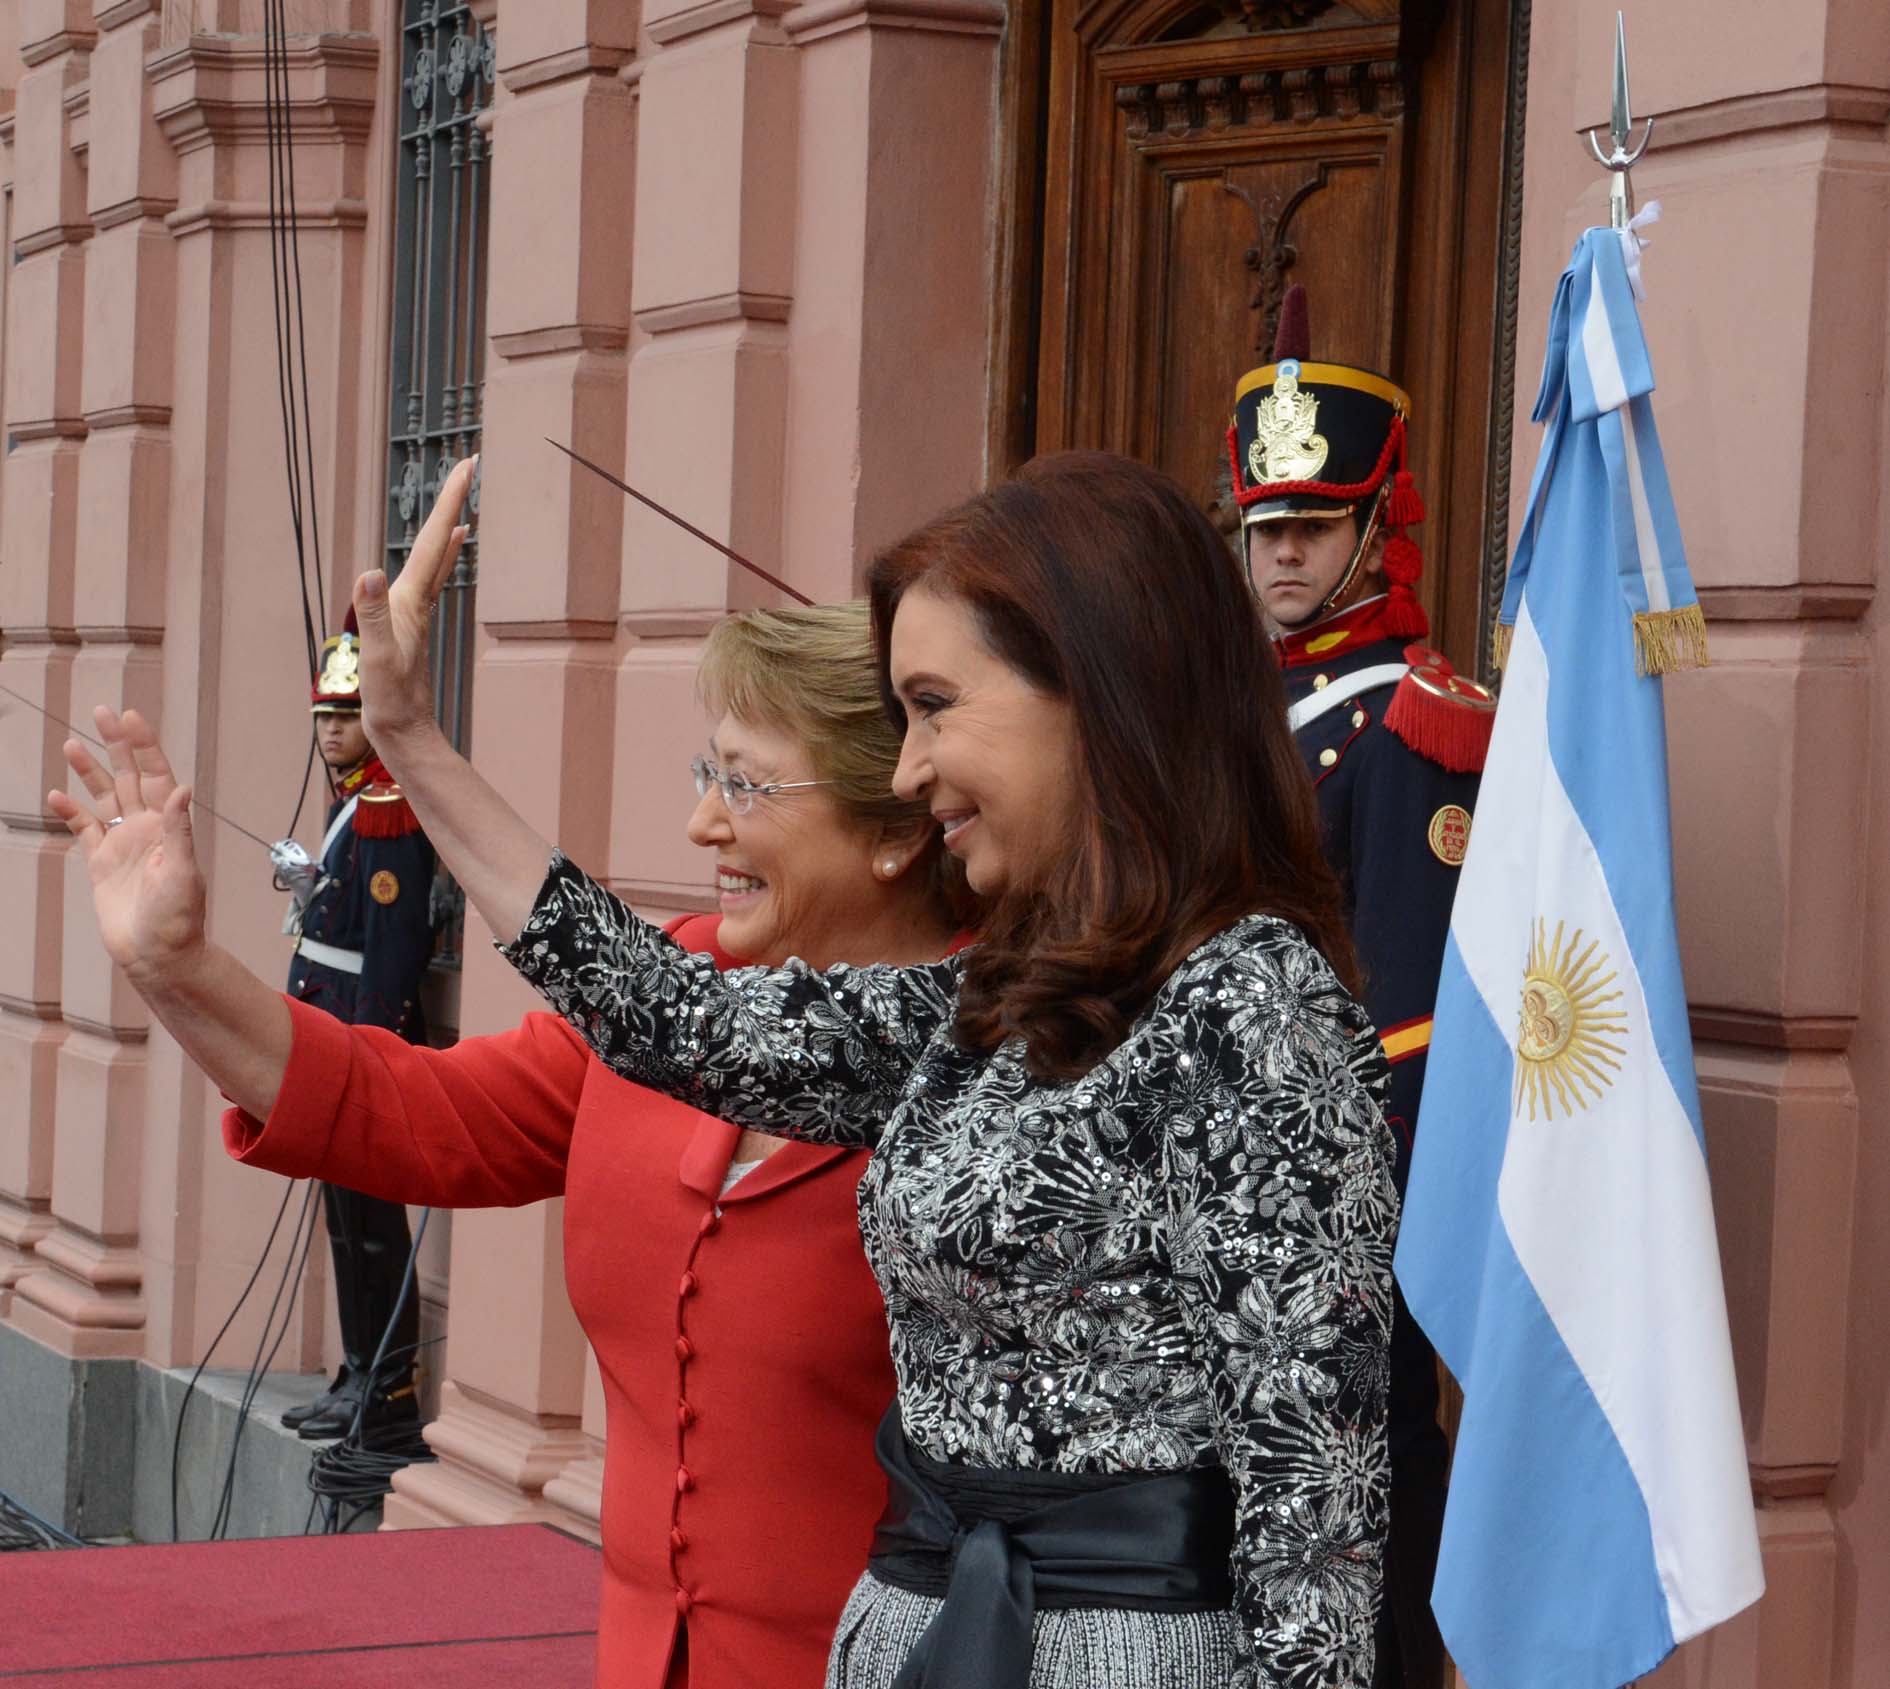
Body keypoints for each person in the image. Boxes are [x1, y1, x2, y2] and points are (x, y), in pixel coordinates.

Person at [331, 452, 1394, 1685]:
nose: (905, 772)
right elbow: (672, 1016)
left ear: (1099, 692)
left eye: (937, 706)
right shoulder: (1003, 995)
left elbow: (1316, 1520)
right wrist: (410, 737)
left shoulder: (1254, 1004)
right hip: (920, 1631)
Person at [50, 599, 967, 1689]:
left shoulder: (1000, 1060)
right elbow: (410, 1112)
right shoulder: (670, 984)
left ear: (901, 829)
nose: (704, 827)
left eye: (748, 786)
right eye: (703, 773)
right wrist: (179, 969)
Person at [1228, 285, 1496, 1689]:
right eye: (1264, 529)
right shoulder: (1245, 707)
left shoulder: (1411, 723)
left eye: (1308, 529)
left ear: (1373, 525)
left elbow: (1407, 1016)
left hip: (1339, 1206)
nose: (1279, 557)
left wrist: (1348, 1228)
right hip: (1219, 1193)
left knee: (1364, 1531)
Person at [274, 617, 437, 1439]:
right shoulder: (357, 805)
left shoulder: (391, 813)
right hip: (327, 1039)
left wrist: (368, 1054)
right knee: (345, 1221)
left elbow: (394, 950)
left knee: (372, 1225)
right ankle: (357, 1368)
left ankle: (388, 1387)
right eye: (323, 717)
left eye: (344, 715)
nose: (330, 729)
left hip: (357, 1049)